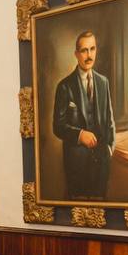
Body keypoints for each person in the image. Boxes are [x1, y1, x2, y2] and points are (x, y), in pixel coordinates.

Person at [51, 30, 115, 200]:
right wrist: (80, 135)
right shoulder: (64, 86)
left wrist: (109, 148)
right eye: (84, 50)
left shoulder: (104, 82)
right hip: (76, 165)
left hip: (102, 164)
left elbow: (109, 120)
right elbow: (58, 127)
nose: (89, 55)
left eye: (92, 49)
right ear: (76, 54)